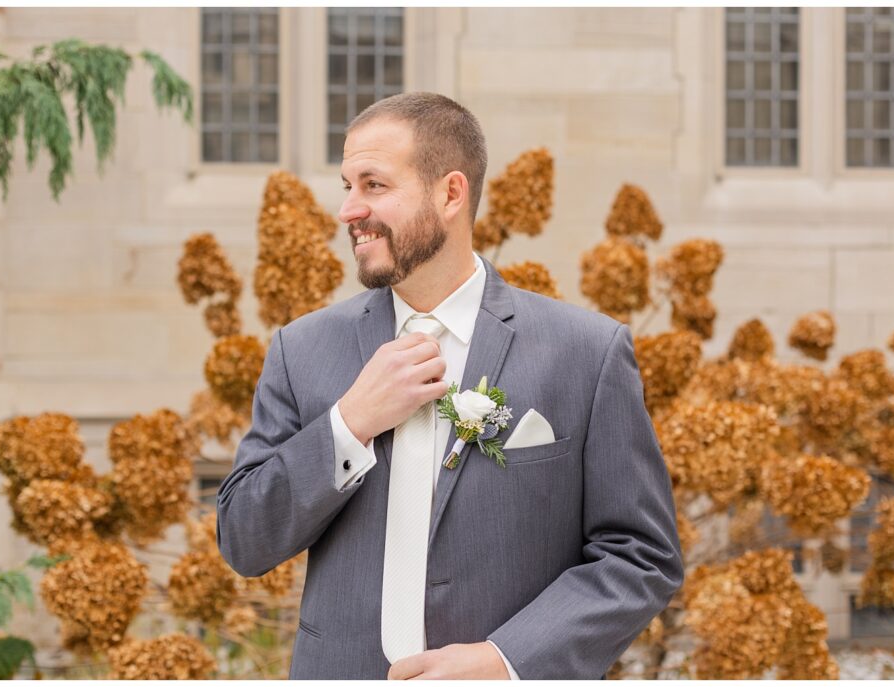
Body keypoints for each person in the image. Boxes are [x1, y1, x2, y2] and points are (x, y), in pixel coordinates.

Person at [216, 92, 684, 680]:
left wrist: (506, 661)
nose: (348, 210)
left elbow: (640, 558)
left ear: (450, 194)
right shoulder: (301, 350)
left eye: (374, 185)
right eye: (346, 185)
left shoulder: (585, 354)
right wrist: (350, 423)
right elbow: (244, 540)